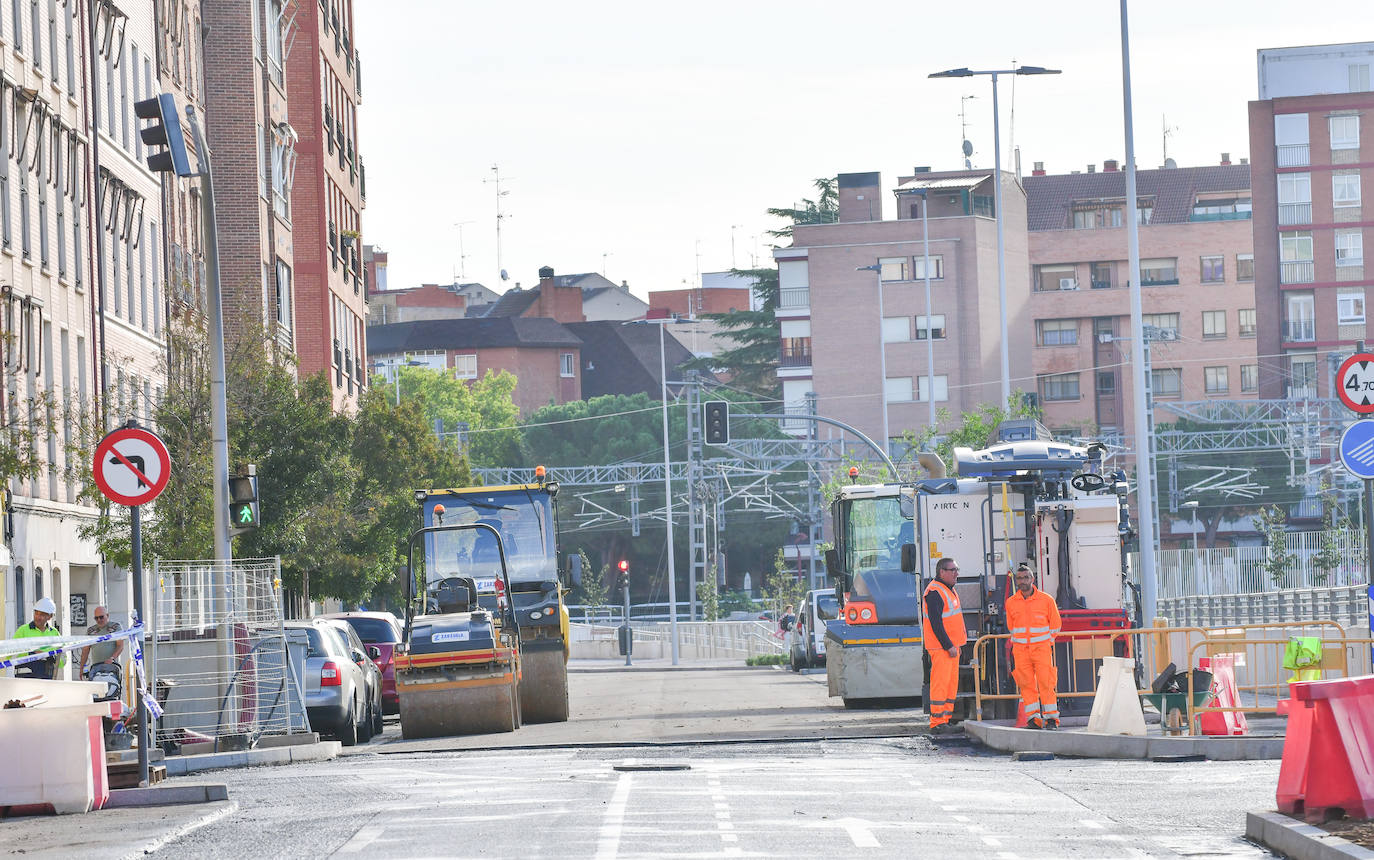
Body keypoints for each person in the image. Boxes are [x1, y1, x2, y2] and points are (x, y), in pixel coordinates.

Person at [1005, 562, 1062, 729]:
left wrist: (1046, 641)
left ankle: (1051, 719)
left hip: (1041, 650)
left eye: (1026, 578)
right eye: (1019, 578)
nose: (1022, 581)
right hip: (1021, 651)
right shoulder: (1011, 602)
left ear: (1033, 579)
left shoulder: (1046, 600)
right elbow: (1012, 626)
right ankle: (1034, 719)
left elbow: (1056, 624)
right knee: (1026, 685)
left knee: (1046, 684)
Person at [922, 558, 967, 734]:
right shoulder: (935, 591)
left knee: (950, 684)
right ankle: (937, 722)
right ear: (942, 572)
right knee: (940, 684)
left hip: (950, 647)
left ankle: (945, 720)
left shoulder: (948, 590)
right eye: (953, 570)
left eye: (957, 569)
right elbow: (936, 624)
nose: (957, 573)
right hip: (942, 648)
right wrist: (948, 645)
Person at [13, 597, 63, 680]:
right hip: (25, 677)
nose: (38, 617)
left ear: (50, 616)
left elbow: (63, 657)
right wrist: (31, 651)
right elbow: (11, 654)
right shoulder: (23, 630)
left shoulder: (54, 633)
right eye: (36, 613)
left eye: (42, 615)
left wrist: (53, 658)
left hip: (46, 677)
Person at [80, 606, 125, 678]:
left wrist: (112, 658)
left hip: (112, 668)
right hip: (96, 669)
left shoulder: (115, 627)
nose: (99, 620)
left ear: (107, 616)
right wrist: (81, 668)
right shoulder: (91, 631)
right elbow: (85, 651)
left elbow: (120, 646)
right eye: (96, 618)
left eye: (101, 617)